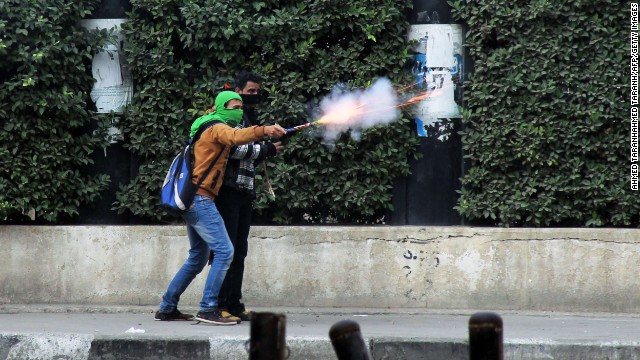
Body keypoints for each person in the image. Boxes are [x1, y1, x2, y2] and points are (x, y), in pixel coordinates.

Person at [155, 91, 286, 325]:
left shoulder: (205, 125)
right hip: (200, 199)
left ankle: (167, 307)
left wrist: (262, 139)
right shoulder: (216, 126)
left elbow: (236, 142)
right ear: (220, 107)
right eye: (233, 106)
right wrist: (264, 130)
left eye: (240, 107)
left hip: (194, 198)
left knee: (197, 257)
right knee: (225, 251)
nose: (238, 110)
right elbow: (235, 137)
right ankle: (207, 308)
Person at [214, 71, 284, 323]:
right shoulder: (230, 114)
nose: (254, 96)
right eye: (250, 91)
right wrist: (266, 149)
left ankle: (235, 304)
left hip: (244, 191)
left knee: (240, 250)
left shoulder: (249, 115)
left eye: (257, 92)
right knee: (226, 251)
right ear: (237, 90)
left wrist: (267, 145)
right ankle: (218, 304)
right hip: (227, 192)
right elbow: (234, 148)